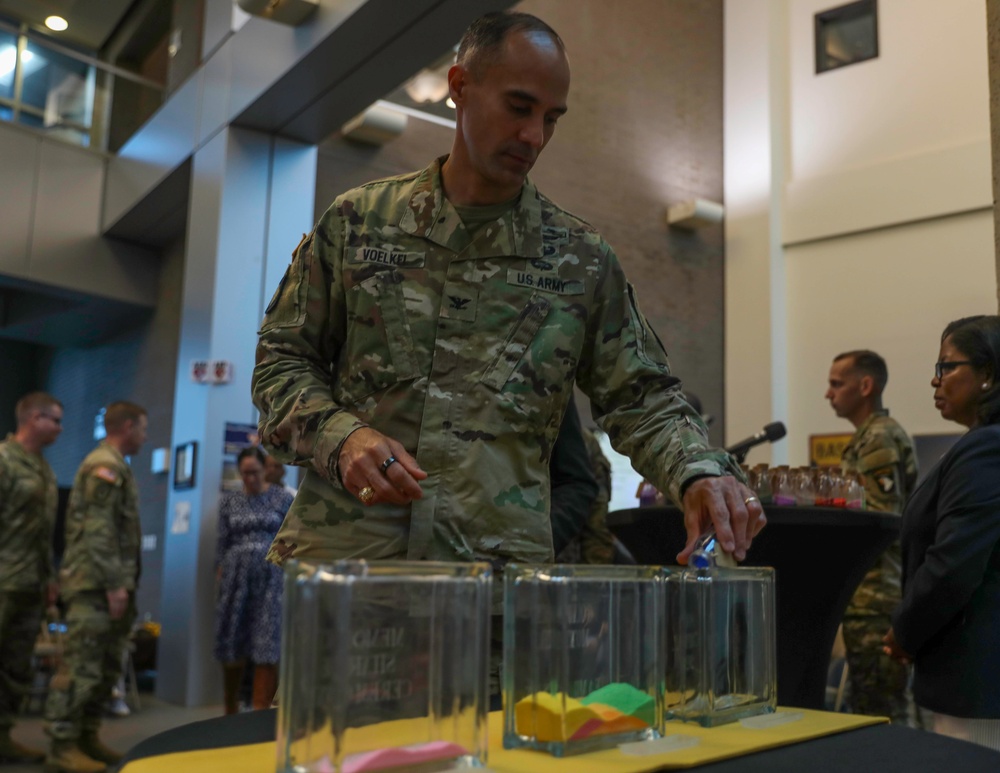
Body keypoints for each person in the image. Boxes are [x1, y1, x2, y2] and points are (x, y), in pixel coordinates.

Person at [252, 12, 763, 581]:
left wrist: (698, 470)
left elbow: (643, 395)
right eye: (519, 108)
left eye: (551, 118)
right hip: (351, 576)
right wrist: (340, 437)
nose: (534, 137)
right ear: (460, 86)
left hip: (496, 589)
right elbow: (279, 364)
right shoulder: (359, 225)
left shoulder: (580, 260)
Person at [884, 315, 1000, 751]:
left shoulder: (986, 447)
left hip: (977, 680)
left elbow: (953, 565)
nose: (935, 382)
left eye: (946, 367)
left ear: (987, 373)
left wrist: (905, 630)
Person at [45, 401, 147, 773]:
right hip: (94, 586)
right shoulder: (101, 466)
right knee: (81, 667)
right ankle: (61, 744)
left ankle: (86, 736)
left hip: (109, 584)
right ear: (127, 426)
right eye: (143, 428)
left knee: (105, 666)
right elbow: (99, 530)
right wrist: (114, 585)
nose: (145, 435)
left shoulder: (116, 466)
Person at [825, 350, 918, 723]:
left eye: (836, 384)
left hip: (878, 595)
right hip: (868, 593)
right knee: (871, 705)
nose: (828, 394)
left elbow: (882, 518)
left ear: (866, 386)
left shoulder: (878, 438)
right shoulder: (868, 436)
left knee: (883, 712)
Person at [0, 392, 62, 764]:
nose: (59, 427)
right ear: (33, 419)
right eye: (54, 420)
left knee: (15, 667)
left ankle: (3, 735)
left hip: (31, 582)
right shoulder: (4, 460)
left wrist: (49, 578)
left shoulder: (42, 467)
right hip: (3, 579)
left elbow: (42, 533)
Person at [214, 446, 293, 715]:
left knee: (266, 641)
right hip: (236, 580)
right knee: (233, 639)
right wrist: (220, 577)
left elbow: (292, 539)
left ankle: (261, 710)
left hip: (272, 579)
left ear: (265, 469)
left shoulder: (282, 499)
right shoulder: (229, 502)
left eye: (255, 472)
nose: (250, 478)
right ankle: (230, 708)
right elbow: (222, 544)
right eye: (245, 473)